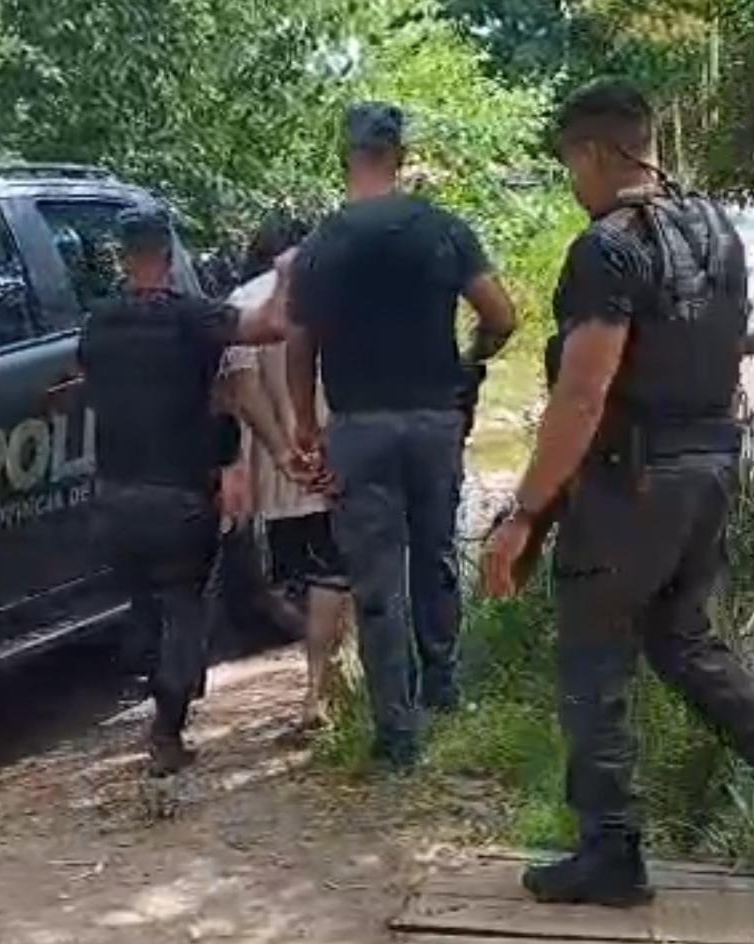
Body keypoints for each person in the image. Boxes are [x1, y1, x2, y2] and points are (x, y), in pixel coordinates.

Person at [481, 79, 754, 906]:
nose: (574, 183)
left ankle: (609, 851)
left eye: (572, 164)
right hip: (711, 470)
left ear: (597, 152)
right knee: (685, 644)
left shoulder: (607, 248)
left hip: (632, 484)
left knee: (594, 658)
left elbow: (582, 394)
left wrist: (524, 513)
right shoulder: (717, 231)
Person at [286, 102, 518, 768]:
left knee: (377, 579)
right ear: (401, 156)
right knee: (436, 554)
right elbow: (501, 314)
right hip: (433, 421)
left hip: (359, 428)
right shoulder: (442, 229)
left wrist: (305, 423)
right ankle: (444, 691)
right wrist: (470, 361)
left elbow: (299, 343)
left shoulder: (323, 244)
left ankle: (397, 734)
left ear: (346, 155)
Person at [79, 205, 292, 776]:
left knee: (145, 602)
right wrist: (286, 273)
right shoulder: (193, 318)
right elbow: (272, 325)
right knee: (183, 605)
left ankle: (147, 682)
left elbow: (84, 381)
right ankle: (166, 731)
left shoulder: (98, 323)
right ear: (169, 257)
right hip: (179, 498)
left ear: (123, 258)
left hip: (115, 497)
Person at [222, 211, 353, 729]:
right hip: (337, 456)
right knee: (337, 573)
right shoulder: (335, 294)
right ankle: (322, 688)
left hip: (280, 474)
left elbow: (242, 387)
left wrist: (280, 449)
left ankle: (325, 685)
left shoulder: (241, 303)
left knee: (302, 576)